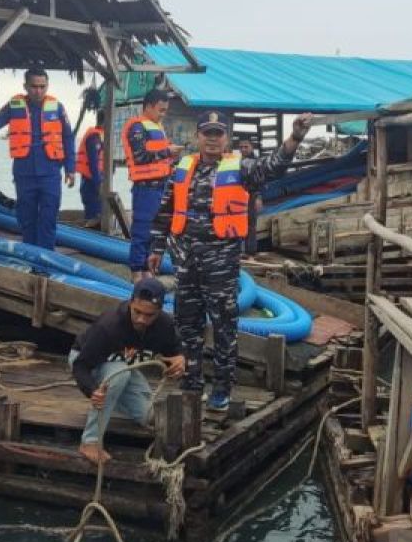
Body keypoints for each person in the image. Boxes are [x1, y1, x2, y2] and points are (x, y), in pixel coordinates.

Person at [148, 111, 313, 411]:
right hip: (186, 261)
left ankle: (222, 388)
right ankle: (191, 382)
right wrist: (157, 248)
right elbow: (165, 211)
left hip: (221, 262)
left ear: (226, 138)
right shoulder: (181, 169)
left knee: (224, 325)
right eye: (207, 133)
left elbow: (274, 167)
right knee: (187, 323)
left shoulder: (242, 168)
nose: (212, 139)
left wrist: (295, 137)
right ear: (197, 136)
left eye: (218, 133)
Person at [69, 278, 186, 464]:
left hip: (125, 365)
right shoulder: (109, 326)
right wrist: (92, 391)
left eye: (149, 315)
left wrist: (180, 358)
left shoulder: (165, 325)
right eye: (137, 312)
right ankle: (90, 441)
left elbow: (176, 350)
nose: (141, 319)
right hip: (89, 360)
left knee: (148, 416)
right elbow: (80, 366)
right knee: (119, 375)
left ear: (159, 311)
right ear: (131, 302)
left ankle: (115, 399)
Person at [0, 67, 75, 249]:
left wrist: (70, 168)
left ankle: (45, 263)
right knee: (26, 219)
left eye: (43, 86)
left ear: (47, 85)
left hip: (50, 173)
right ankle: (31, 259)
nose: (39, 91)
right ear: (25, 86)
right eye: (34, 86)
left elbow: (67, 137)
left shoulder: (57, 107)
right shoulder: (14, 105)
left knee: (48, 219)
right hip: (24, 174)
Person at [123, 88, 183, 281]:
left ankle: (147, 268)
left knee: (156, 231)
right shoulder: (138, 127)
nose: (163, 114)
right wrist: (167, 152)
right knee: (142, 229)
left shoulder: (157, 127)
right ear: (148, 106)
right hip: (145, 188)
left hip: (161, 186)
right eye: (161, 110)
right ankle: (136, 271)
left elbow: (159, 158)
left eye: (165, 110)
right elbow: (140, 157)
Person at [76, 109, 106, 227]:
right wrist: (99, 184)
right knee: (94, 217)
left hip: (96, 181)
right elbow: (93, 164)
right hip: (91, 183)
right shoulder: (94, 137)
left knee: (98, 215)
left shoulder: (101, 135)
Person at [236, 137, 260, 254]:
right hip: (239, 196)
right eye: (241, 147)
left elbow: (261, 181)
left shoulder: (257, 162)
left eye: (246, 147)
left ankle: (251, 253)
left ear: (252, 147)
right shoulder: (238, 161)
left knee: (251, 225)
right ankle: (240, 251)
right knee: (239, 223)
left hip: (251, 196)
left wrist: (259, 197)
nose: (243, 149)